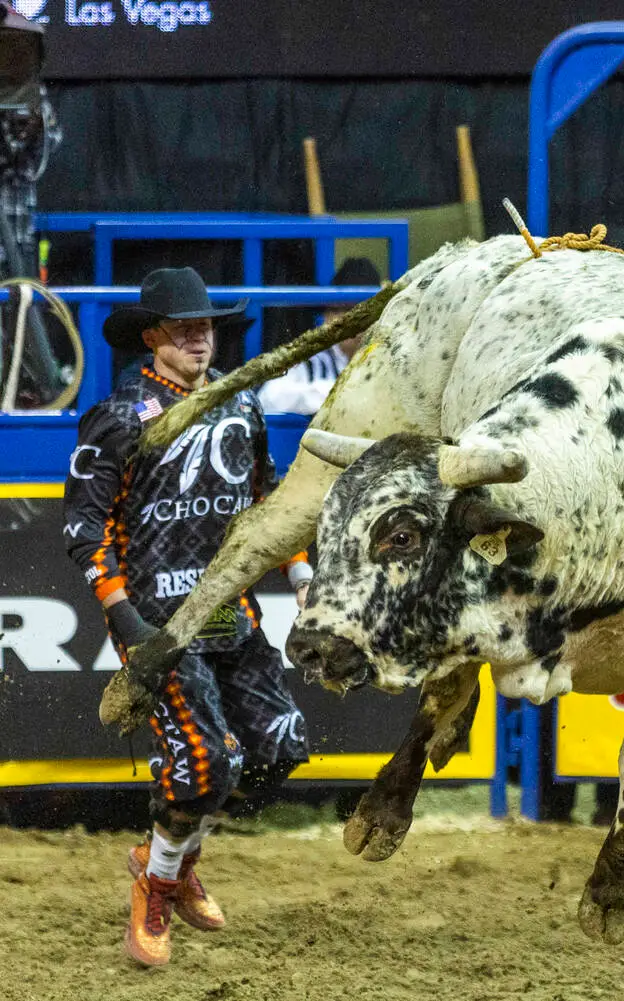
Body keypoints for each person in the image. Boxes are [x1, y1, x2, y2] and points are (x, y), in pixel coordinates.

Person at [63, 266, 312, 967]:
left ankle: (166, 859)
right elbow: (86, 529)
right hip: (160, 620)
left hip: (231, 612)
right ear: (153, 338)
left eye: (207, 326)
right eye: (185, 328)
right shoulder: (117, 418)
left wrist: (299, 574)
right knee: (209, 758)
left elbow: (271, 507)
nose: (200, 338)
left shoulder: (242, 408)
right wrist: (124, 617)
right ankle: (158, 882)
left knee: (281, 748)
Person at [257, 256, 381, 414]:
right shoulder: (310, 361)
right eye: (339, 310)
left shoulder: (387, 359)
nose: (350, 321)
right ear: (326, 316)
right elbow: (269, 397)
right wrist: (338, 393)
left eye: (362, 313)